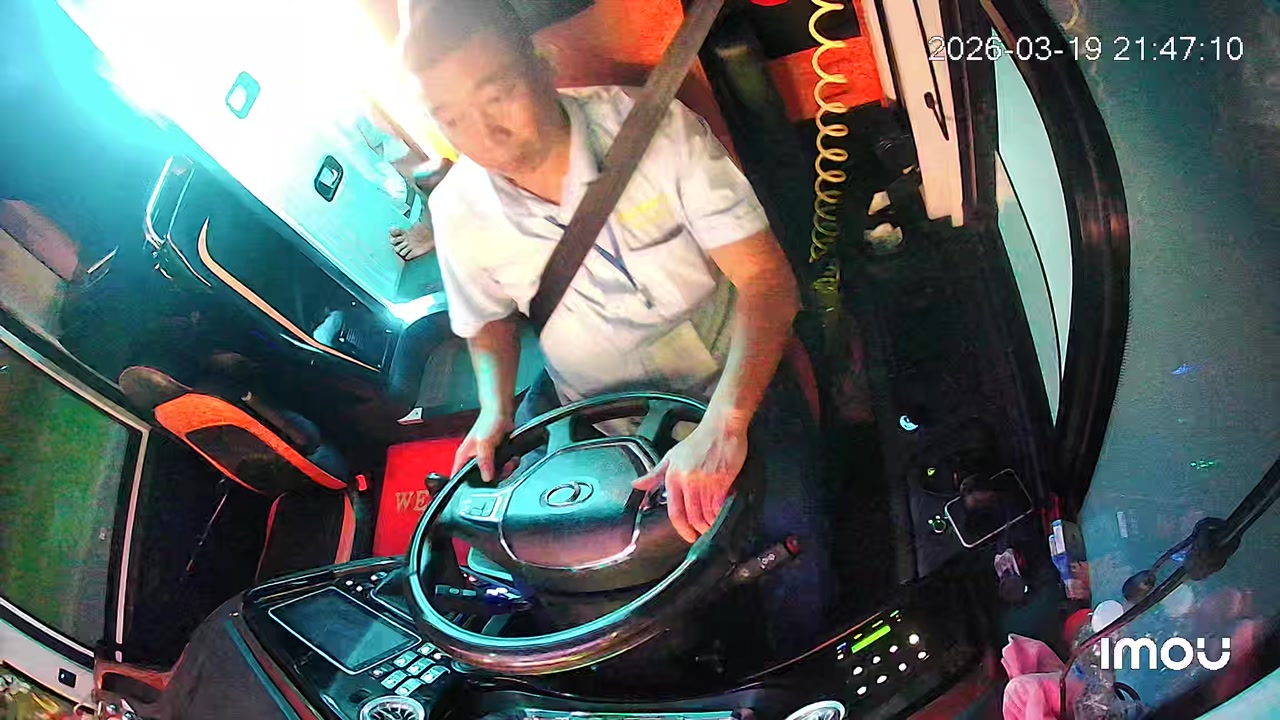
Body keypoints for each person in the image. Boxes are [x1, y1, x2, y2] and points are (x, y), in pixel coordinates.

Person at [398, 0, 832, 657]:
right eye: (450, 118)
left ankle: (791, 665)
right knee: (534, 565)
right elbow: (486, 322)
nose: (485, 134)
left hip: (728, 388)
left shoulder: (657, 133)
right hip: (586, 413)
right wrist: (493, 409)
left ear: (541, 65)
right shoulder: (456, 209)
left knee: (796, 550)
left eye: (497, 95)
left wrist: (727, 423)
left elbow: (768, 283)